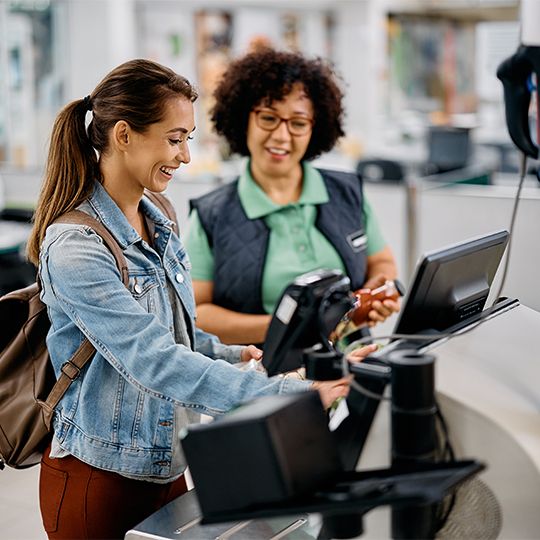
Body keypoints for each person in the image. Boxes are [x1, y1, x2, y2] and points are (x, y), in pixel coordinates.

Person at [26, 59, 375, 540]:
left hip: (167, 465)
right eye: (174, 139)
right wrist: (287, 394)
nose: (186, 156)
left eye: (188, 138)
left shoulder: (159, 216)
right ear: (123, 135)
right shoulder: (76, 246)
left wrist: (235, 354)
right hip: (98, 476)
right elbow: (153, 360)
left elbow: (175, 331)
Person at [185, 48, 400, 345]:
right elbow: (196, 313)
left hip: (354, 369)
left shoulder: (347, 193)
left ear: (316, 127)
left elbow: (382, 263)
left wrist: (376, 293)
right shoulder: (212, 216)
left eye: (298, 123)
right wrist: (289, 326)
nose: (282, 137)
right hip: (266, 380)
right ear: (242, 118)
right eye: (268, 118)